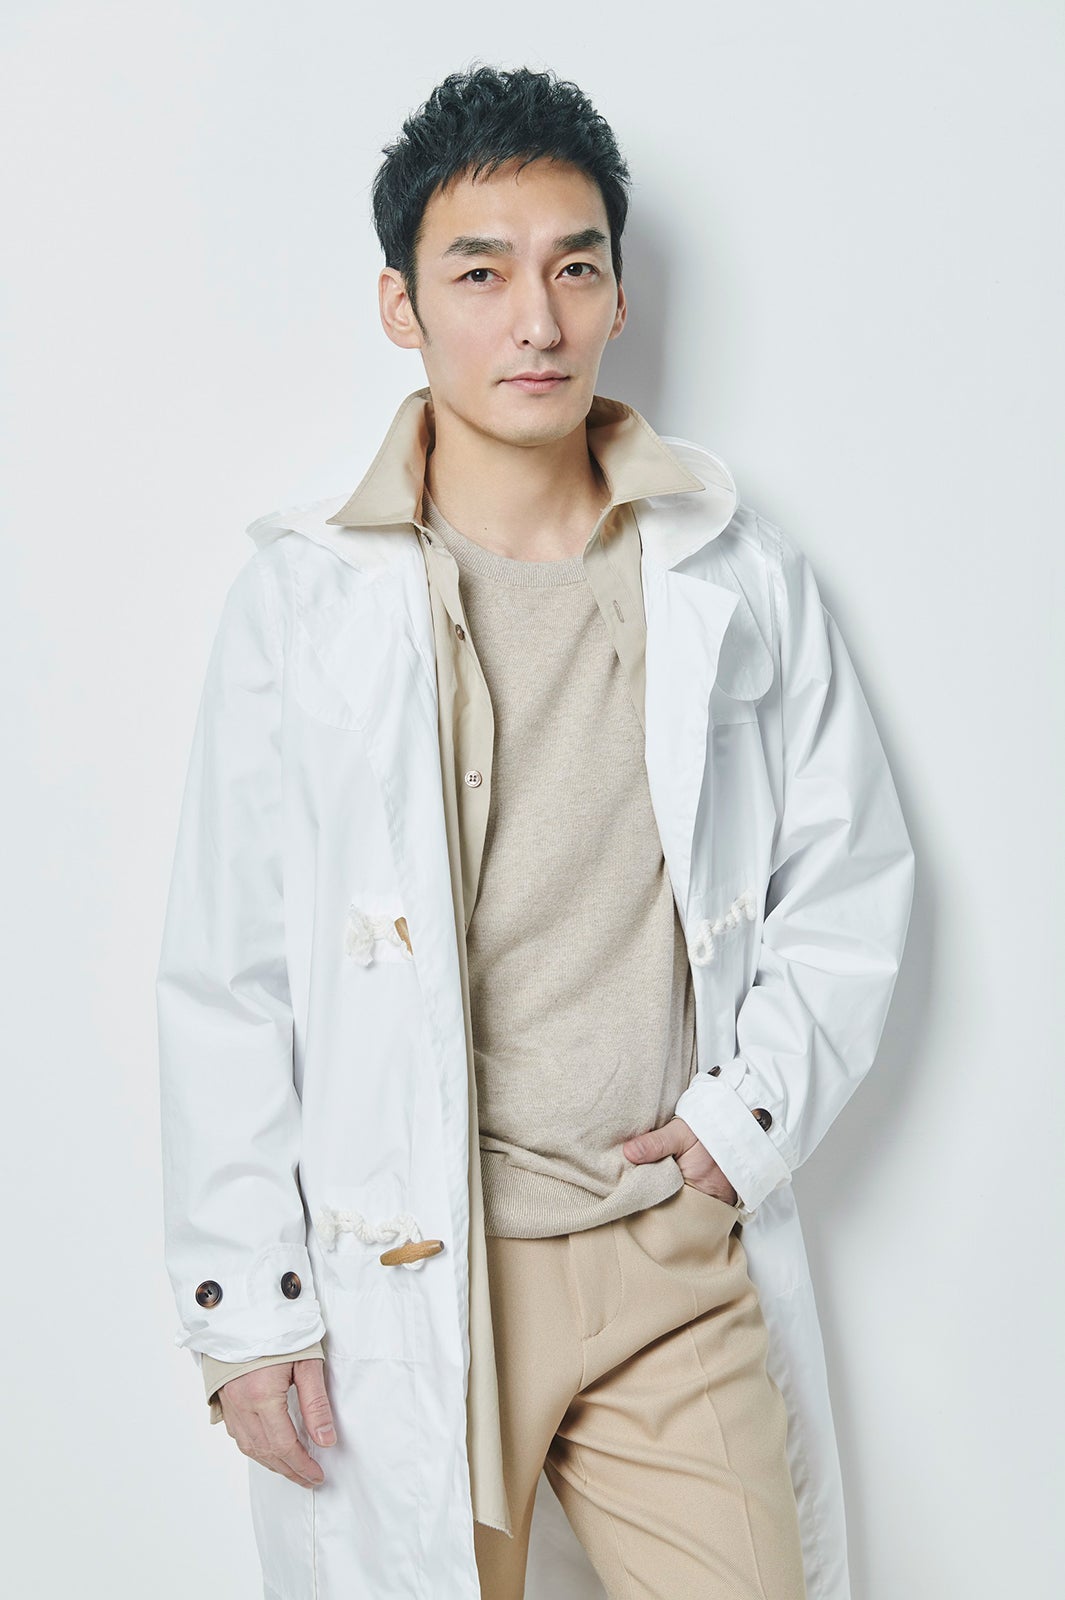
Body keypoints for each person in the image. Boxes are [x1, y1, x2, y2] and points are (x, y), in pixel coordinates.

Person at [156, 64, 915, 1600]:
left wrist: (743, 1126)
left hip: (666, 1259)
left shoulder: (734, 572)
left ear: (619, 296)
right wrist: (247, 1306)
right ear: (400, 306)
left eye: (574, 268)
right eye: (479, 274)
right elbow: (228, 972)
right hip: (411, 1280)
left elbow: (850, 876)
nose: (536, 321)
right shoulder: (306, 602)